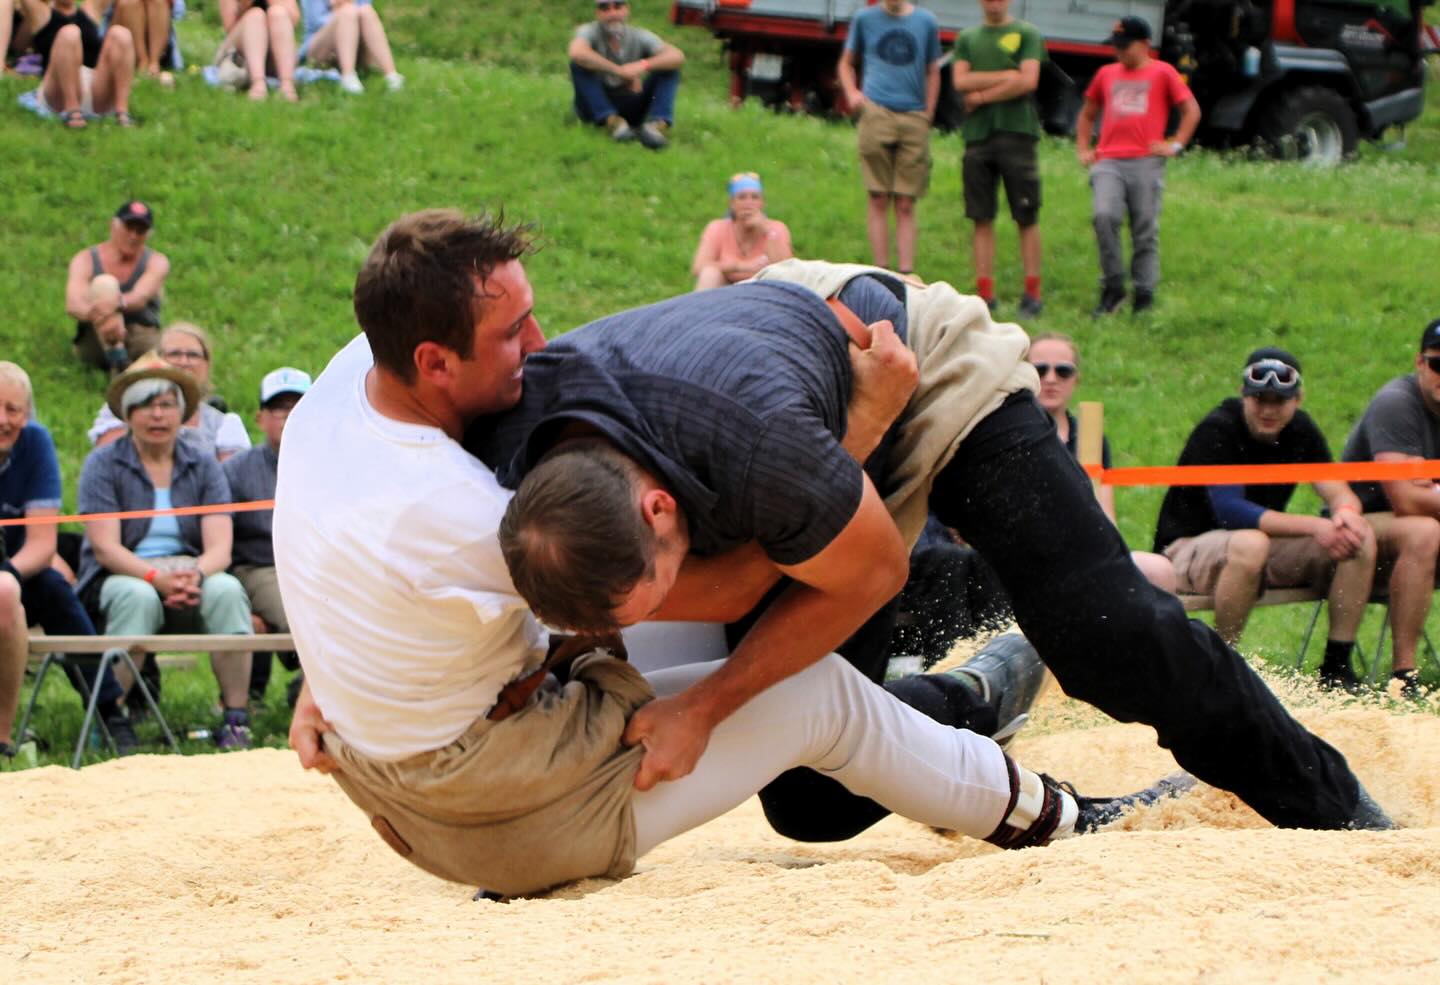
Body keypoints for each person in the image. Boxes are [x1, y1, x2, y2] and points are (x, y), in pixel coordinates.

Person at [277, 210, 1176, 900]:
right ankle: (1057, 816)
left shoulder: (342, 385)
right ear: (433, 361)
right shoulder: (473, 515)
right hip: (497, 815)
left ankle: (970, 697)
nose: (542, 344)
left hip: (397, 772)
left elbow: (336, 546)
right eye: (513, 336)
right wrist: (856, 430)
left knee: (723, 652)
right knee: (808, 695)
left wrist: (339, 673)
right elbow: (749, 579)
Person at [485, 257, 1394, 838]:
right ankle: (973, 692)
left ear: (659, 509)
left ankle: (1333, 805)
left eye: (664, 590)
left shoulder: (763, 453)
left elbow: (869, 567)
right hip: (797, 407)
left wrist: (706, 704)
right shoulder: (510, 455)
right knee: (811, 800)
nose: (668, 613)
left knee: (1104, 632)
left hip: (914, 369)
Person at [1154, 348, 1376, 690]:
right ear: (1244, 395)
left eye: (1279, 400)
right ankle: (1221, 666)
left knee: (1359, 540)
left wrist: (1346, 516)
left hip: (1257, 547)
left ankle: (1336, 667)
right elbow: (1232, 512)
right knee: (1250, 542)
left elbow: (1339, 491)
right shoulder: (1219, 427)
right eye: (1260, 399)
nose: (1269, 410)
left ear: (1298, 399)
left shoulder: (1301, 429)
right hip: (1186, 550)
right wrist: (1318, 526)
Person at [75, 354, 254, 749]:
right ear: (127, 413)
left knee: (226, 591)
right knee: (137, 597)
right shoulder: (102, 465)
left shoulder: (204, 465)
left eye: (167, 405)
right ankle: (109, 718)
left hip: (192, 572)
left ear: (181, 413)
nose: (157, 415)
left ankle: (236, 719)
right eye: (145, 406)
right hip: (123, 575)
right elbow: (105, 547)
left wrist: (197, 575)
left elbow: (220, 547)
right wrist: (156, 578)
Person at [0, 362, 134, 756]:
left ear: (28, 413)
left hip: (20, 567)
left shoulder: (36, 444)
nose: (3, 420)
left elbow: (42, 545)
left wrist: (6, 575)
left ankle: (109, 709)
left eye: (13, 410)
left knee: (55, 590)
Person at [1340, 319, 1440, 696]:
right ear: (1419, 363)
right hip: (1357, 524)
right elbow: (1405, 499)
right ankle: (1405, 676)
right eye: (1438, 364)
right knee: (1425, 531)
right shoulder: (1396, 403)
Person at [1029, 333, 1174, 591]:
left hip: (1087, 550)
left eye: (1063, 371)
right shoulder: (1012, 434)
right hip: (1030, 554)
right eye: (1040, 370)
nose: (1050, 379)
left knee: (1160, 571)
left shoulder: (1090, 436)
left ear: (1076, 379)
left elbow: (1106, 515)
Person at [1075, 17, 1200, 316]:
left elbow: (1191, 110)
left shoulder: (1163, 73)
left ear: (1145, 45)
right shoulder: (1106, 74)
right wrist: (1083, 148)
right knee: (1104, 217)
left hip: (1145, 161)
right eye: (1116, 47)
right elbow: (1087, 114)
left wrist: (1175, 144)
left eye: (1125, 47)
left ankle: (1144, 292)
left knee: (1144, 227)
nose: (1119, 53)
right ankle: (1113, 287)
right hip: (1109, 160)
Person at [951, 0, 1044, 317]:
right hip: (977, 136)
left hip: (1017, 133)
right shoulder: (968, 38)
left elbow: (1028, 81)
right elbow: (960, 81)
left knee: (1026, 214)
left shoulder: (1027, 33)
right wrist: (1007, 75)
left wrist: (981, 95)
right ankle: (984, 294)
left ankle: (1032, 293)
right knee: (981, 215)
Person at [837, 0, 941, 276]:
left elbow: (933, 69)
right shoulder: (865, 19)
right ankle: (881, 271)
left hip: (913, 116)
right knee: (878, 196)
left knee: (906, 202)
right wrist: (852, 93)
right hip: (877, 113)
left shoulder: (926, 22)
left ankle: (906, 274)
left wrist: (928, 112)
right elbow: (847, 63)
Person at [225, 366, 309, 703]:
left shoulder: (331, 464)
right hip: (260, 567)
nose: (289, 417)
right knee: (306, 616)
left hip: (320, 564)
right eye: (279, 409)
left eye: (298, 407)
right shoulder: (236, 470)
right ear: (261, 418)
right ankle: (311, 695)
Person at [89, 324, 251, 460]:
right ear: (157, 359)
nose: (184, 362)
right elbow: (109, 462)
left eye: (193, 355)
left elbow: (234, 486)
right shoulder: (121, 409)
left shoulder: (223, 424)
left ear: (206, 365)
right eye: (175, 354)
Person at [65, 200, 168, 373]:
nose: (133, 236)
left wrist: (114, 304)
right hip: (95, 340)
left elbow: (140, 297)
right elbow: (73, 305)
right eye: (128, 228)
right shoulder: (85, 260)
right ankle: (117, 359)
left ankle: (120, 362)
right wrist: (100, 313)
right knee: (104, 284)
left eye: (140, 231)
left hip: (141, 337)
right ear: (113, 226)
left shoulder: (157, 262)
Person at [568, 0, 684, 150]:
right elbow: (577, 52)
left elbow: (677, 56)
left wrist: (641, 66)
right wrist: (619, 71)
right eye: (605, 8)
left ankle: (656, 125)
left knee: (670, 68)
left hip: (629, 102)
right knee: (578, 65)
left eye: (617, 6)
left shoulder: (640, 35)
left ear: (626, 10)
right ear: (598, 13)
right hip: (593, 105)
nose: (612, 13)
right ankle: (611, 122)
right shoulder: (588, 31)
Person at [18, 0, 135, 127]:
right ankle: (72, 111)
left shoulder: (90, 10)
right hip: (58, 88)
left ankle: (122, 111)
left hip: (93, 85)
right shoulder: (42, 13)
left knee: (121, 34)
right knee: (70, 33)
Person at [690, 172, 793, 291]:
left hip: (763, 288)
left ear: (762, 203)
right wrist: (740, 266)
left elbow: (787, 271)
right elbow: (698, 267)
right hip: (726, 287)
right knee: (710, 274)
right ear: (732, 204)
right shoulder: (717, 227)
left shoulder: (776, 228)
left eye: (755, 197)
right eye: (742, 197)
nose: (749, 203)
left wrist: (767, 231)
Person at [298, 0, 402, 94]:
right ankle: (348, 76)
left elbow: (363, 10)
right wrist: (339, 13)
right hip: (321, 46)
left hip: (356, 43)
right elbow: (315, 21)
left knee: (366, 11)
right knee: (348, 13)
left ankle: (391, 75)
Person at [217, 0, 298, 102]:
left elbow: (293, 18)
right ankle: (258, 84)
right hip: (239, 53)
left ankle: (287, 85)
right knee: (255, 15)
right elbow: (230, 27)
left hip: (275, 51)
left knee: (278, 13)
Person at [102, 0, 174, 83]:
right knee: (130, 2)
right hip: (121, 16)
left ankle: (153, 63)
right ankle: (142, 62)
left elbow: (178, 10)